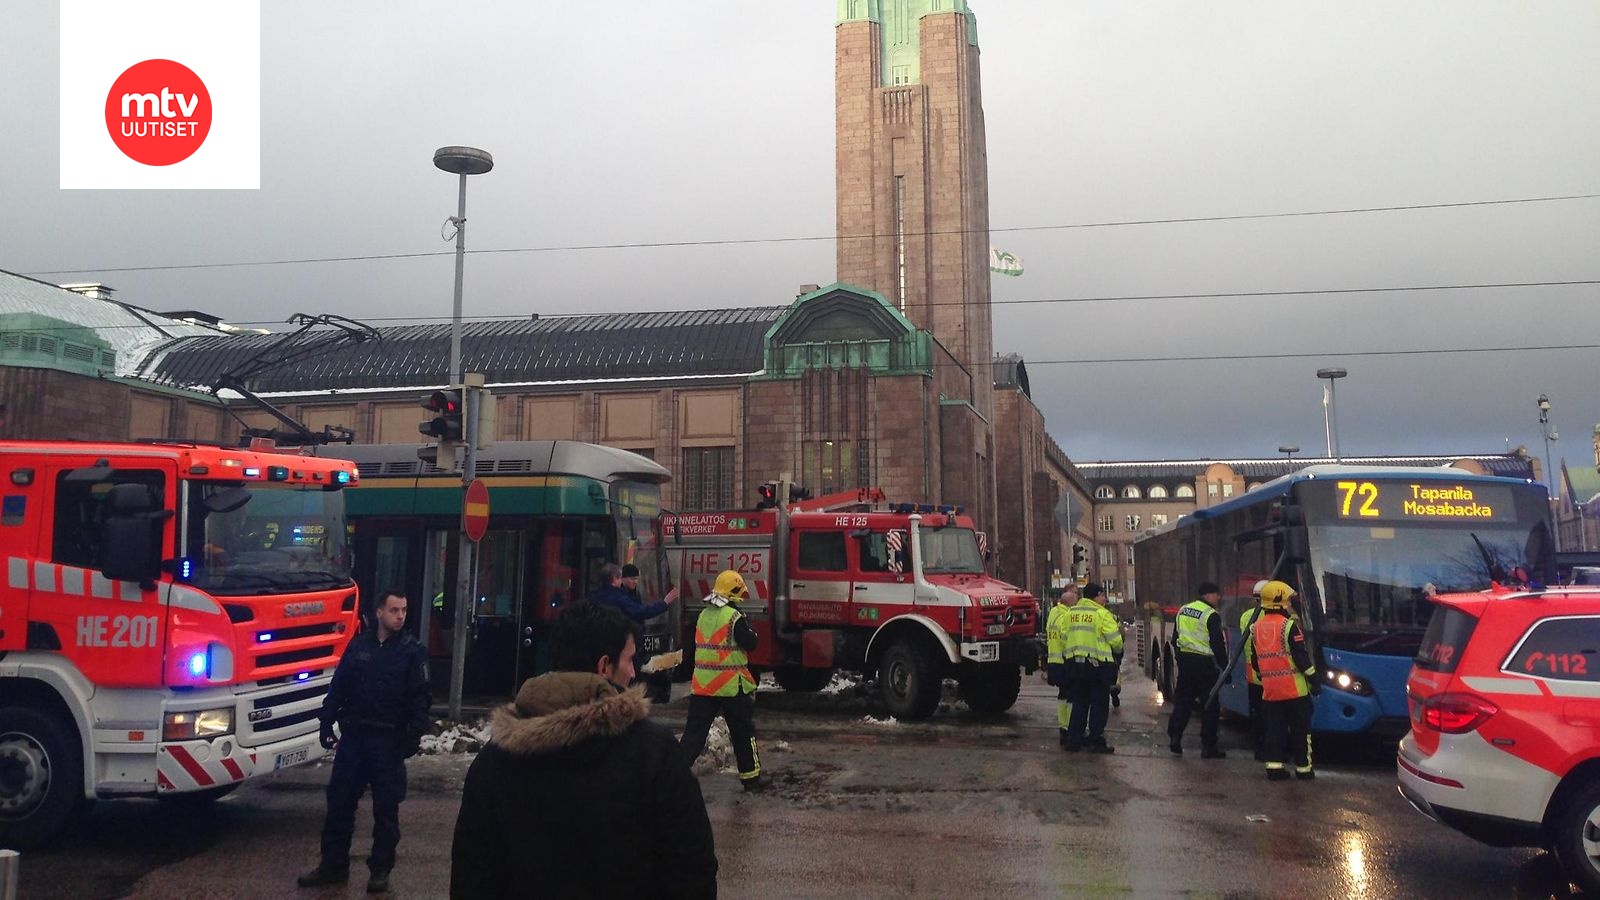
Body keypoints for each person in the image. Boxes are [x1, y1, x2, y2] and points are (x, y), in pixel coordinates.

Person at [449, 602, 717, 899]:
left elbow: (472, 874)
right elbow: (692, 867)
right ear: (604, 667)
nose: (632, 672)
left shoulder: (496, 758)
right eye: (629, 660)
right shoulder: (653, 753)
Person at [298, 591, 431, 894]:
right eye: (394, 610)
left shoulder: (412, 652)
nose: (400, 615)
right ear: (380, 612)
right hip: (355, 739)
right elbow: (339, 686)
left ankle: (381, 869)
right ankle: (333, 865)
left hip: (388, 740)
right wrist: (325, 720)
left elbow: (420, 698)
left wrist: (412, 735)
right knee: (339, 803)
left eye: (404, 610)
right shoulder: (359, 647)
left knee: (386, 809)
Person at [679, 570, 773, 791]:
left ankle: (674, 775)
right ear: (735, 591)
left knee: (694, 734)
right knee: (743, 732)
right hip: (731, 686)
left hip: (703, 687)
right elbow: (750, 643)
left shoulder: (703, 615)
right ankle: (752, 778)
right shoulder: (733, 617)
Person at [1249, 580, 1320, 781]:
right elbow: (1301, 658)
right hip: (1295, 691)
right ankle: (1303, 769)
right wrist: (1314, 680)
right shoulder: (1288, 626)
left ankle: (1274, 768)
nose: (1290, 604)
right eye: (1288, 601)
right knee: (1301, 730)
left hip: (1270, 691)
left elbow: (1256, 661)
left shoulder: (1256, 628)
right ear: (1279, 602)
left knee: (1274, 730)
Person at [1167, 581, 1228, 758]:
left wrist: (1180, 657)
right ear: (1208, 595)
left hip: (1186, 663)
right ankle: (1208, 746)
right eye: (1217, 594)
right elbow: (1218, 644)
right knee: (1210, 706)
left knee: (1183, 702)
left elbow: (1175, 638)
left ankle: (1175, 738)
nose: (1219, 597)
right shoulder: (1211, 615)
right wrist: (1225, 668)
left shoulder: (1183, 610)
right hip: (1204, 665)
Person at [1061, 582, 1124, 753]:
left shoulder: (1071, 613)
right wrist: (1117, 652)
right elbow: (1116, 641)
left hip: (1075, 664)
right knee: (1099, 703)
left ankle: (1074, 740)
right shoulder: (1102, 614)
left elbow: (1063, 635)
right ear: (1095, 596)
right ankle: (1095, 740)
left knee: (1080, 703)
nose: (1105, 598)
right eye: (1102, 595)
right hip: (1098, 666)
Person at [1239, 579, 1269, 760]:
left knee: (1257, 713)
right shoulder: (1274, 617)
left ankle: (1259, 748)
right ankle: (1272, 750)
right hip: (1272, 675)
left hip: (1253, 673)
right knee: (1273, 715)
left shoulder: (1246, 615)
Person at [1044, 584, 1078, 748]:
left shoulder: (1053, 614)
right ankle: (1070, 727)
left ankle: (1063, 727)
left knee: (1062, 695)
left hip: (1053, 661)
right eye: (1076, 596)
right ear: (1069, 602)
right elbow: (1067, 639)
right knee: (1071, 696)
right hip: (1065, 661)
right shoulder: (1066, 617)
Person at [592, 562, 679, 622]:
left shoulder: (592, 597)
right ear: (615, 579)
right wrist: (664, 603)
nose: (635, 582)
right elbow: (639, 611)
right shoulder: (619, 599)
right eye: (619, 578)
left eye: (637, 579)